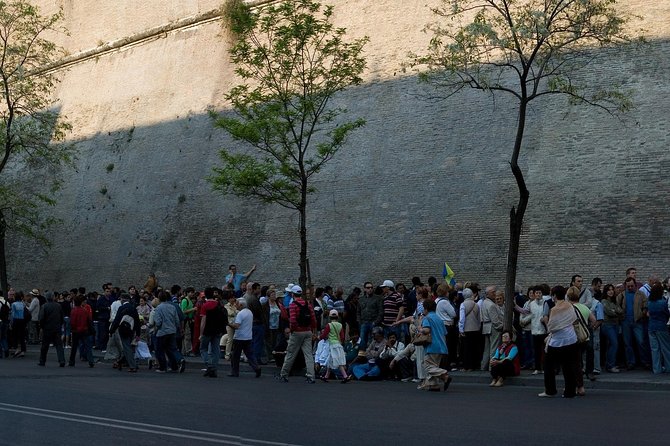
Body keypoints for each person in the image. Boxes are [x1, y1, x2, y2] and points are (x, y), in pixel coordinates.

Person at [539, 286, 580, 398]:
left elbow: (551, 327)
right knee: (568, 366)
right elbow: (574, 319)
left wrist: (545, 321)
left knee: (548, 366)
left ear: (555, 296)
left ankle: (550, 390)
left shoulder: (554, 310)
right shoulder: (569, 306)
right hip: (571, 339)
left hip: (557, 342)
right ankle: (570, 391)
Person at [276, 285, 317, 383]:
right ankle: (311, 376)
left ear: (293, 294)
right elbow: (313, 319)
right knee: (308, 355)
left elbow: (293, 321)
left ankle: (284, 374)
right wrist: (313, 331)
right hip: (307, 331)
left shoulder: (293, 305)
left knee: (290, 353)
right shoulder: (308, 304)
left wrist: (292, 330)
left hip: (297, 332)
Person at [418, 298, 452, 392]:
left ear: (426, 309)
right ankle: (434, 385)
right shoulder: (439, 319)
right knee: (434, 365)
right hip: (441, 346)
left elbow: (426, 330)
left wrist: (420, 328)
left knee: (428, 366)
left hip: (431, 346)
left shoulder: (427, 318)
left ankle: (445, 375)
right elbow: (444, 333)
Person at [617, 277, 650, 369]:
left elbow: (645, 305)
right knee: (627, 343)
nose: (630, 287)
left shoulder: (641, 294)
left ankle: (644, 361)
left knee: (641, 342)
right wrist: (620, 313)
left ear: (635, 285)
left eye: (632, 286)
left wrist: (642, 313)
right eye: (628, 286)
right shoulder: (622, 295)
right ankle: (631, 362)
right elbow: (617, 306)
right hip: (625, 322)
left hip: (637, 321)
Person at [150, 291, 182, 373]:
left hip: (162, 331)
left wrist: (156, 330)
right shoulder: (172, 307)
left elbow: (158, 322)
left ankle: (162, 367)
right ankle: (174, 366)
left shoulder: (158, 308)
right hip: (172, 331)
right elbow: (177, 321)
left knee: (159, 350)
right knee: (170, 349)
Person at [229, 298, 262, 378]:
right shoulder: (250, 312)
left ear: (241, 305)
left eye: (236, 304)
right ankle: (256, 368)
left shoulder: (240, 314)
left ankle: (235, 372)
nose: (235, 305)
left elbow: (237, 326)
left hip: (239, 337)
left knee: (235, 356)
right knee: (250, 355)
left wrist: (229, 324)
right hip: (248, 337)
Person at [109, 293, 141, 373]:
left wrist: (112, 330)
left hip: (123, 330)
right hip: (131, 329)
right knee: (129, 347)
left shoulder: (121, 308)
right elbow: (137, 321)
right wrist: (138, 333)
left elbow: (117, 320)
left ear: (123, 299)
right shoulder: (133, 308)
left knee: (127, 348)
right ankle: (121, 362)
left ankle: (132, 366)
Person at [200, 287, 228, 378]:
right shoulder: (219, 304)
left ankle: (210, 365)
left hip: (207, 330)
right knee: (215, 350)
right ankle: (213, 369)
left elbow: (203, 321)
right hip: (217, 330)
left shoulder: (205, 306)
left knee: (203, 349)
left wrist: (201, 333)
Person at [318, 310, 351, 383]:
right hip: (338, 344)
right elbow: (342, 337)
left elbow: (324, 335)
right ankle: (326, 376)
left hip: (332, 345)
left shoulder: (328, 325)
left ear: (330, 317)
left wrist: (319, 337)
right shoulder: (340, 325)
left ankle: (345, 376)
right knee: (330, 361)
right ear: (337, 317)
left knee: (338, 361)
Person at [646, 283, 670, 374]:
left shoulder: (650, 302)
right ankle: (668, 367)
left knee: (655, 349)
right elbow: (667, 314)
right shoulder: (663, 302)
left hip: (651, 327)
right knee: (666, 348)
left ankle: (657, 369)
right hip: (661, 326)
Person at [38, 292, 65, 367]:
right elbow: (62, 317)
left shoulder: (44, 306)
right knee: (59, 345)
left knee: (45, 345)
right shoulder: (58, 306)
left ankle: (42, 360)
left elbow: (41, 318)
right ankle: (61, 360)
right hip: (56, 327)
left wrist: (42, 326)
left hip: (47, 328)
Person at [601, 284, 623, 373]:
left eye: (612, 290)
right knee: (614, 344)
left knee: (612, 345)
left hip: (615, 325)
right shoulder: (604, 301)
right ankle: (611, 365)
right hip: (607, 325)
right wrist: (616, 311)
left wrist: (616, 311)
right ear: (605, 292)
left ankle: (609, 364)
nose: (611, 291)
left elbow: (620, 310)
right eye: (608, 290)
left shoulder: (614, 301)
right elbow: (609, 312)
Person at [69, 295, 94, 368]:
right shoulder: (85, 310)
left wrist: (73, 328)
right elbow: (88, 321)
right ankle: (91, 361)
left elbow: (72, 322)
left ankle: (71, 361)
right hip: (84, 330)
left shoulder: (73, 310)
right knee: (87, 346)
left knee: (74, 347)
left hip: (75, 331)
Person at [357, 282, 382, 353]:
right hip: (363, 323)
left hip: (373, 322)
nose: (370, 289)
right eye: (368, 288)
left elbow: (381, 311)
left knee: (373, 340)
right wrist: (359, 321)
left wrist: (376, 322)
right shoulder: (361, 299)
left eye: (371, 287)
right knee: (362, 340)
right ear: (364, 289)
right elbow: (358, 312)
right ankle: (362, 355)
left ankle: (371, 355)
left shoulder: (378, 298)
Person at [10, 291, 28, 357]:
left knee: (15, 335)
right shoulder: (23, 304)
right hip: (22, 321)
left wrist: (11, 323)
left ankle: (17, 349)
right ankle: (22, 351)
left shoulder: (14, 304)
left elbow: (13, 314)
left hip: (16, 320)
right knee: (22, 336)